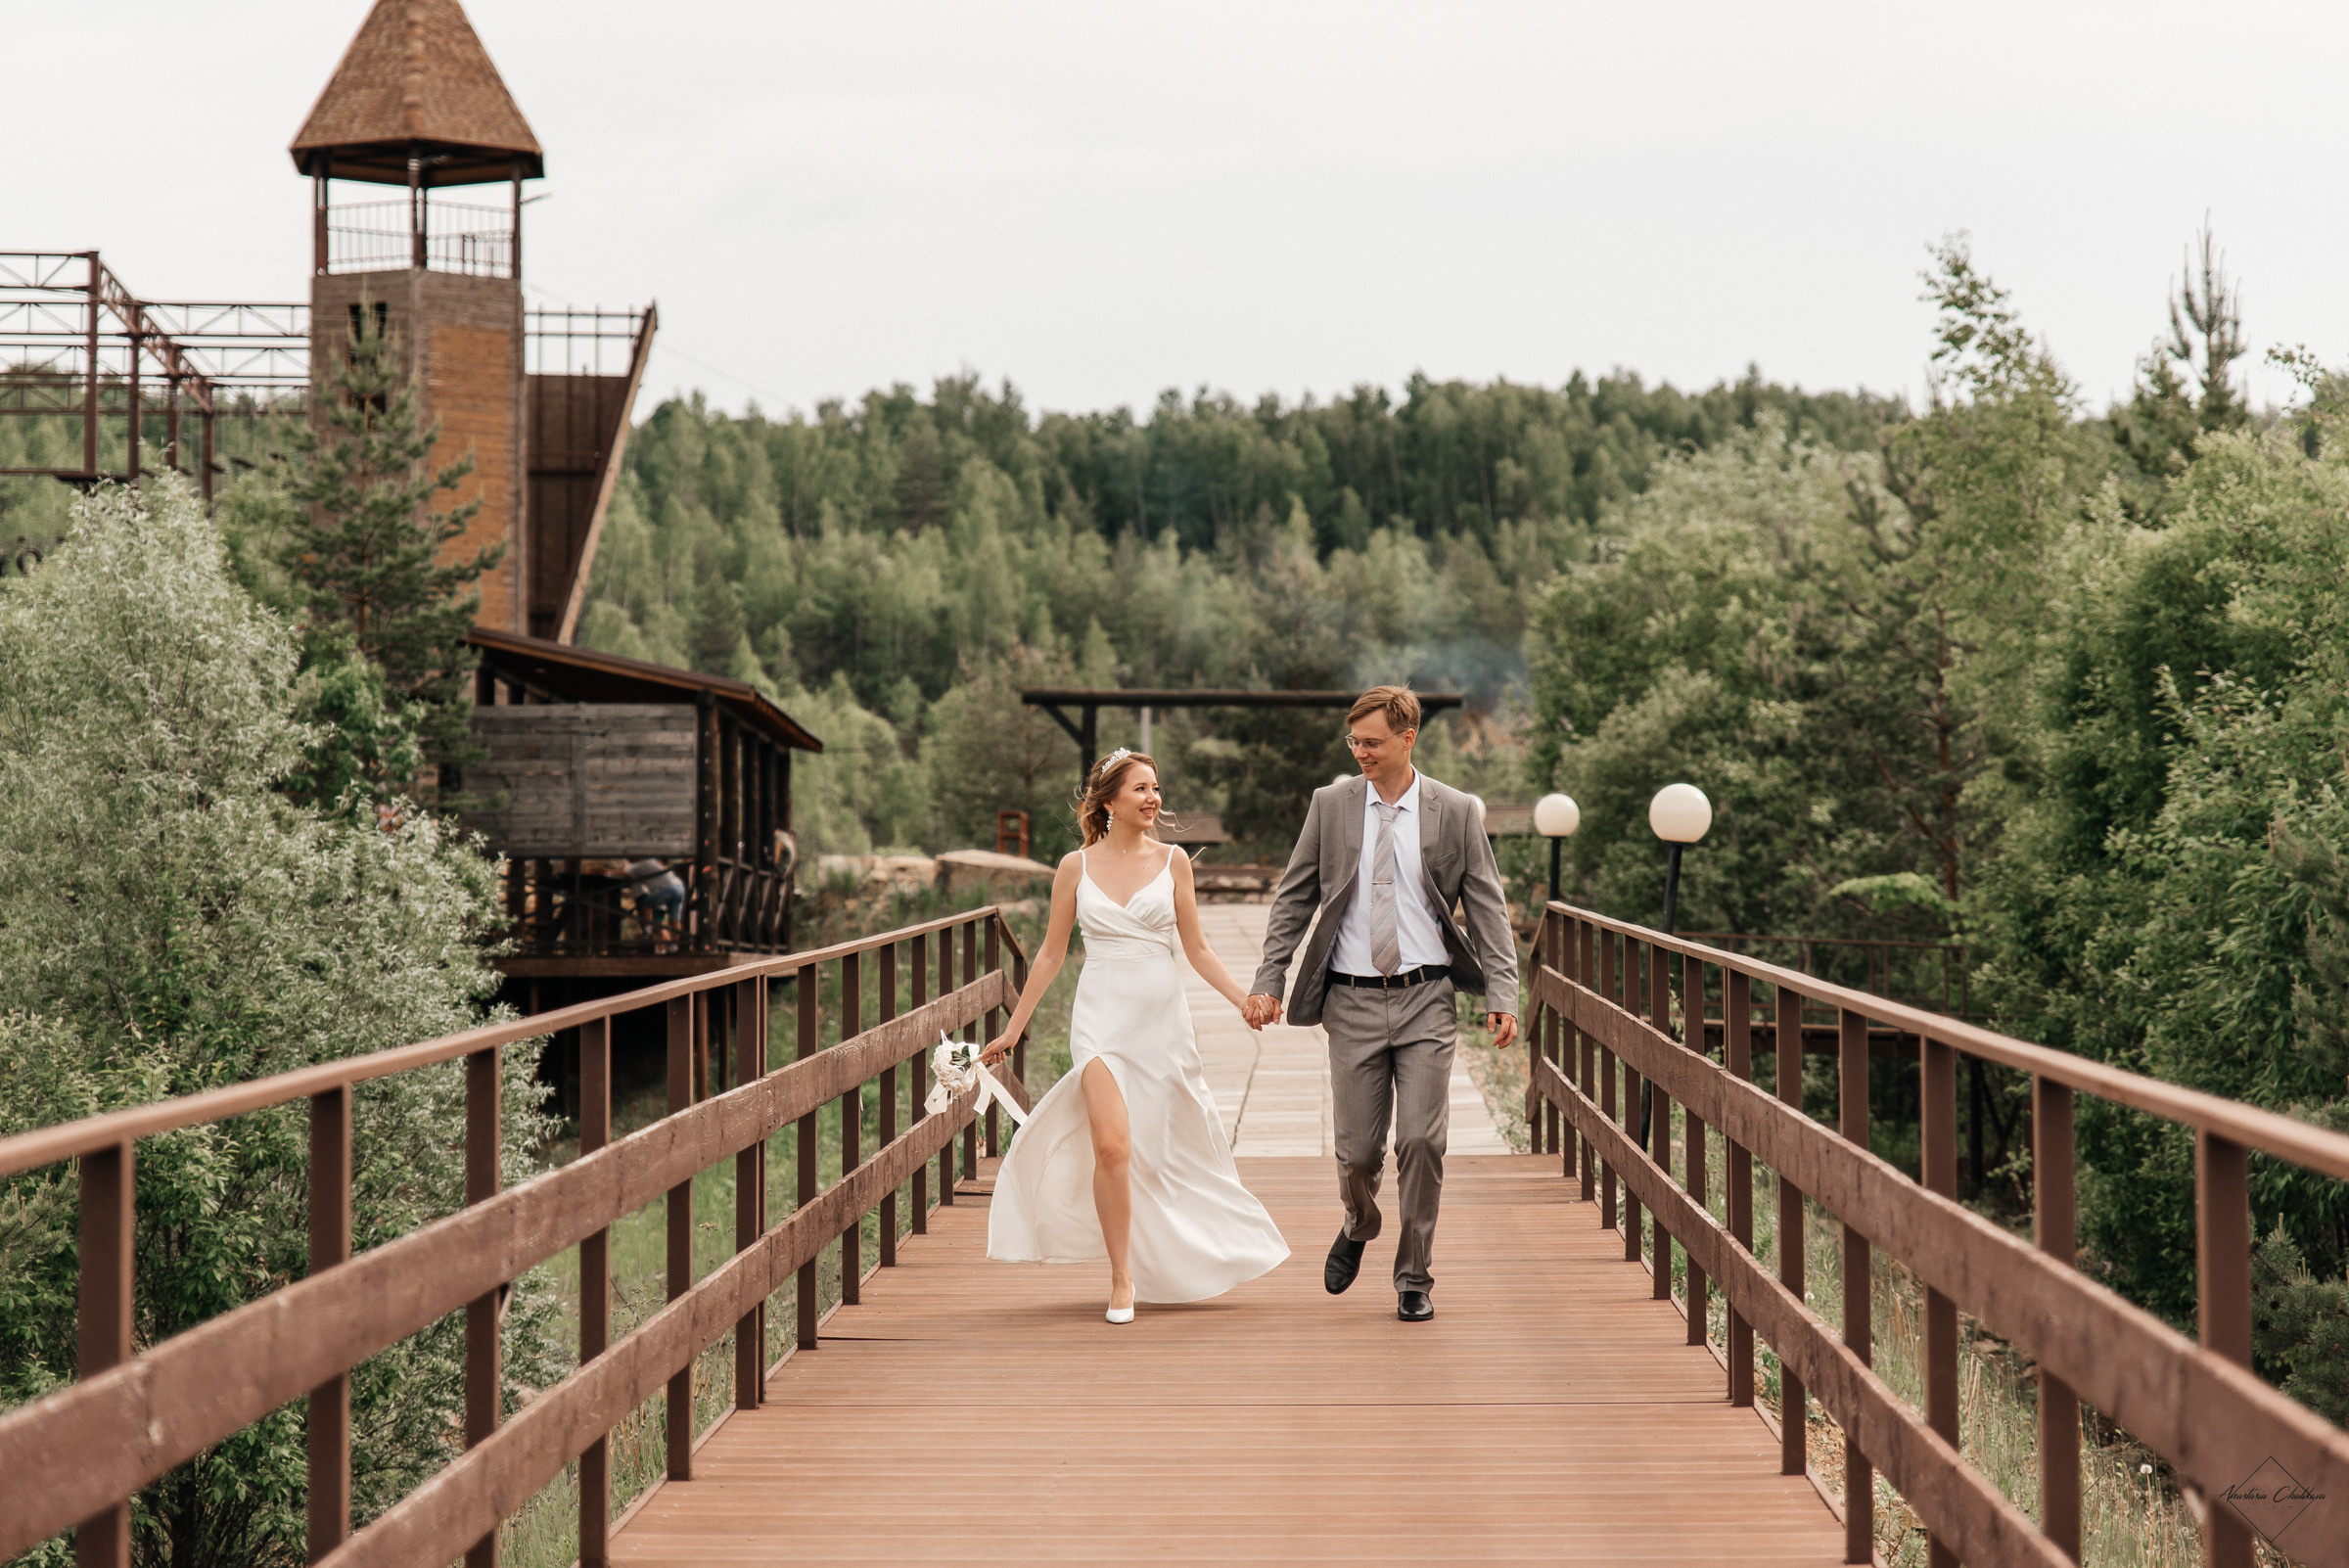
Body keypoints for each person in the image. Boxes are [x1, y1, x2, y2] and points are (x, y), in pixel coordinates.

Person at [1243, 685, 1519, 1322]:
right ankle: (1359, 1222)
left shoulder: (1453, 810)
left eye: (1371, 742)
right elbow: (1294, 898)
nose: (1360, 752)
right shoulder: (1332, 805)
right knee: (1358, 1154)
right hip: (1352, 1002)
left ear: (1407, 738)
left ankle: (1414, 1276)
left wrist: (1502, 993)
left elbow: (1486, 907)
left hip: (1427, 998)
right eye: (1354, 742)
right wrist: (1269, 978)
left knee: (1422, 1141)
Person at [983, 749, 1290, 1322]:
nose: (1153, 798)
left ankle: (1191, 1245)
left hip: (1161, 1021)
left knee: (1165, 1149)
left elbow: (1195, 949)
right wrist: (1012, 1031)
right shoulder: (1075, 867)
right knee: (1111, 1147)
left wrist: (1244, 1000)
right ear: (1108, 800)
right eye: (1140, 789)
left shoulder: (1175, 861)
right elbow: (1050, 954)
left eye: (1156, 788)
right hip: (1100, 1016)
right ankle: (1122, 1278)